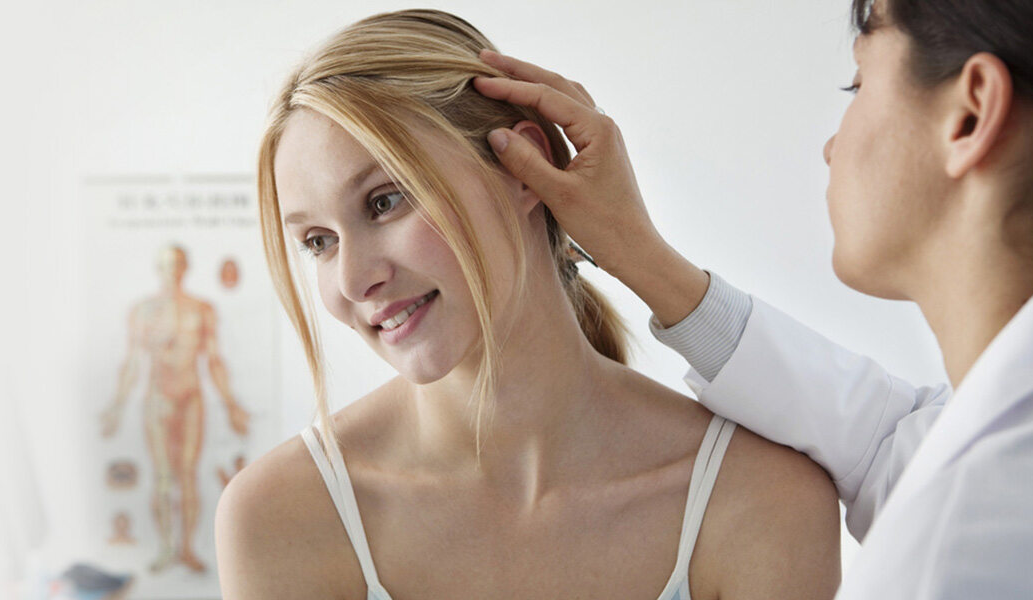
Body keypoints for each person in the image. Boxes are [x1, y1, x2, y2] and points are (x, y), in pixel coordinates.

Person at [216, 10, 841, 599]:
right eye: (318, 242)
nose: (353, 280)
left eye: (385, 201)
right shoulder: (284, 515)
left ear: (526, 167)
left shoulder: (756, 501)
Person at [472, 0, 1033, 598]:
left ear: (969, 116)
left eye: (858, 82)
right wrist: (640, 253)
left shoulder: (970, 552)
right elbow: (886, 439)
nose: (830, 145)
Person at [101, 244, 251, 573]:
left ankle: (185, 549)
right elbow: (132, 363)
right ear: (159, 268)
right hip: (157, 398)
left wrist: (231, 405)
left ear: (186, 267)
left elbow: (214, 360)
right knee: (164, 477)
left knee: (188, 475)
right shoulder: (143, 310)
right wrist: (115, 407)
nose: (173, 270)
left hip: (190, 397)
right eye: (167, 264)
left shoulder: (202, 309)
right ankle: (167, 547)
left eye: (178, 264)